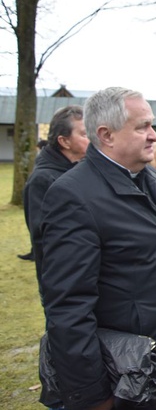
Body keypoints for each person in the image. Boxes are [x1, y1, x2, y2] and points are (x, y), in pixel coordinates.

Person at [40, 87, 156, 410]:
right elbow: (68, 305)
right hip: (132, 388)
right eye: (142, 127)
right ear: (106, 135)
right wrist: (92, 394)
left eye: (152, 125)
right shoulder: (74, 196)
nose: (153, 136)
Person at [23, 105, 88, 284]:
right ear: (64, 141)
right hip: (63, 281)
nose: (92, 139)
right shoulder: (42, 180)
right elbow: (45, 238)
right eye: (84, 134)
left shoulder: (80, 170)